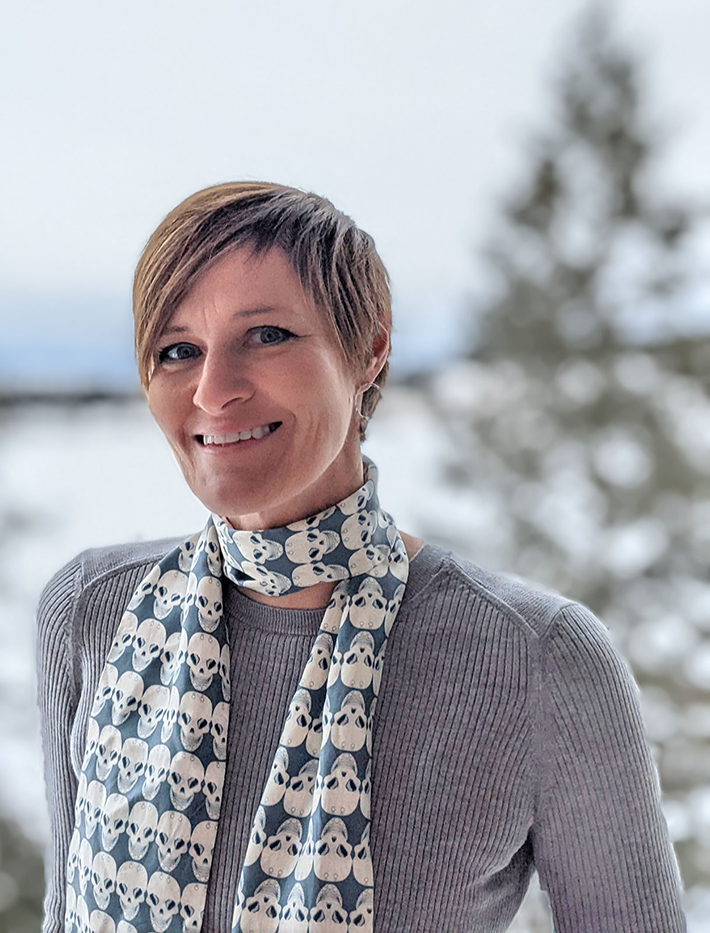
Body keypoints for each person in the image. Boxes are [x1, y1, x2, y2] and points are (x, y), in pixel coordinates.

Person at [36, 181, 687, 933]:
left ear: (369, 347)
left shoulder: (537, 658)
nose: (213, 391)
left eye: (267, 334)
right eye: (179, 350)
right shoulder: (91, 608)